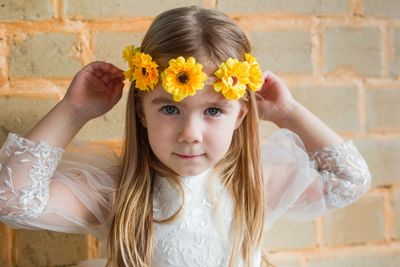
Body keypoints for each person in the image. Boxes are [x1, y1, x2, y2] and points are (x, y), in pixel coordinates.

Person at [0, 5, 371, 267]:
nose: (190, 134)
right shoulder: (120, 193)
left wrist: (289, 113)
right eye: (169, 109)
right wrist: (73, 111)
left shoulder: (255, 185)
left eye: (213, 111)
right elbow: (13, 200)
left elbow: (350, 180)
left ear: (240, 114)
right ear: (142, 112)